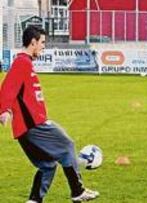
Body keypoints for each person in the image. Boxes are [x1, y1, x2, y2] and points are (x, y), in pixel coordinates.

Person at [0, 26, 99, 203]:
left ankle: (34, 200)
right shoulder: (21, 62)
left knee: (48, 165)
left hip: (29, 127)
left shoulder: (26, 62)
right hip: (34, 126)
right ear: (33, 42)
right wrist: (4, 110)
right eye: (42, 42)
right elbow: (7, 88)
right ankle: (77, 191)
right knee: (67, 144)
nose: (44, 46)